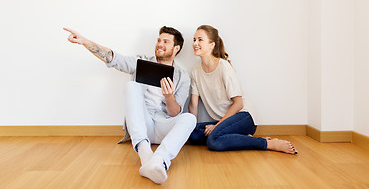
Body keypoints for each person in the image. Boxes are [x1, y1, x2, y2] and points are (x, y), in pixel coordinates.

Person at [64, 26, 196, 184]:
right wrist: (85, 42)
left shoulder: (183, 77)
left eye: (165, 42)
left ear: (176, 48)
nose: (159, 44)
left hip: (163, 126)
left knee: (189, 119)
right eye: (158, 40)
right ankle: (145, 154)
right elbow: (114, 59)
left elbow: (175, 113)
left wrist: (169, 97)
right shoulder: (142, 62)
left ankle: (159, 160)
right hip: (141, 125)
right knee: (131, 86)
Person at [188, 25, 298, 154]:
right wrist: (191, 126)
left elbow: (238, 103)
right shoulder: (195, 70)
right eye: (194, 39)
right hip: (223, 120)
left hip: (243, 116)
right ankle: (239, 137)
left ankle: (267, 143)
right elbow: (193, 105)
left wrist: (216, 127)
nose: (195, 43)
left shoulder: (224, 67)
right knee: (192, 134)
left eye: (200, 40)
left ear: (211, 45)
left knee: (214, 141)